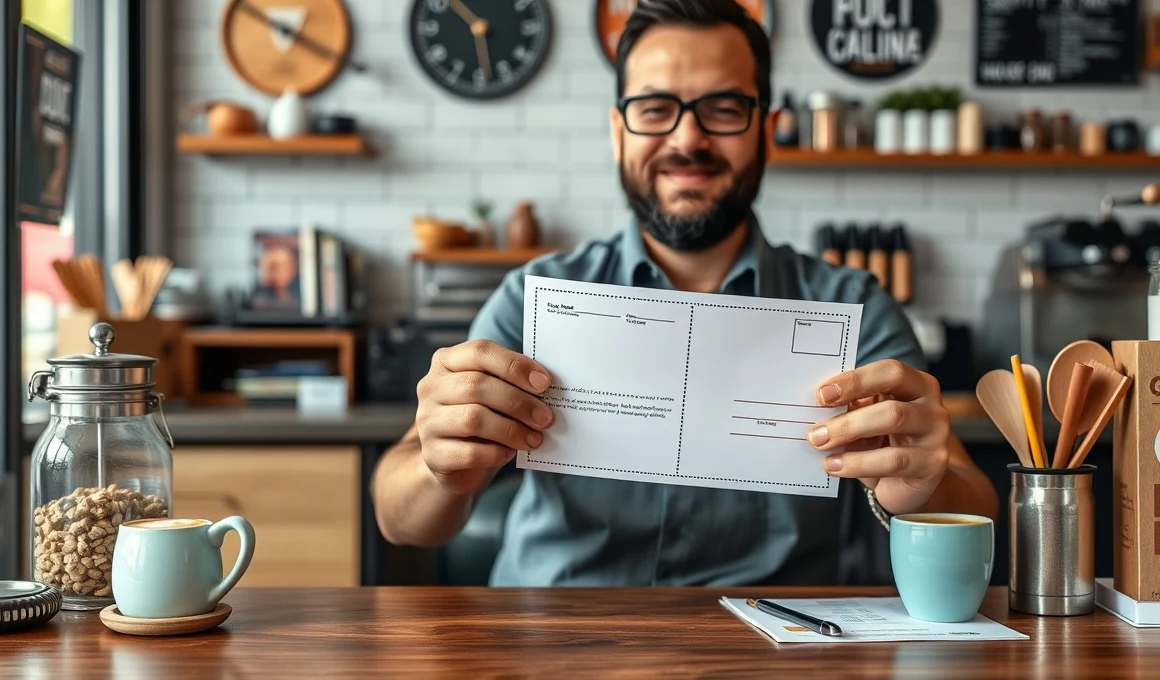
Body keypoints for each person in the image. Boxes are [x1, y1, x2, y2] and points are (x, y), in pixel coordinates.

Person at [372, 0, 998, 586]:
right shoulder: (534, 297)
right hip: (551, 639)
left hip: (771, 645)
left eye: (724, 108)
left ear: (768, 131)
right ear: (618, 131)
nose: (687, 139)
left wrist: (924, 487)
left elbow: (974, 496)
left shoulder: (853, 308)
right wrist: (436, 465)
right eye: (654, 109)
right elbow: (402, 522)